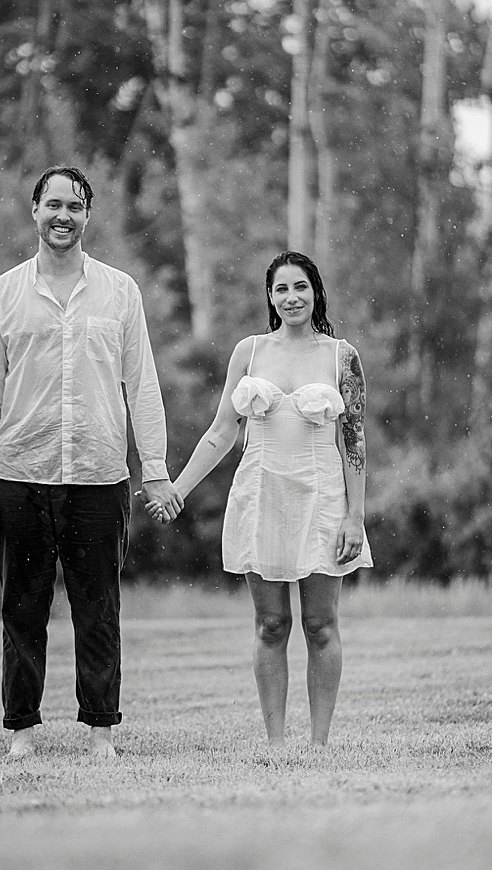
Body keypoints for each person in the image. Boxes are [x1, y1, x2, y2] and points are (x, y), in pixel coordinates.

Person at [0, 165, 179, 760]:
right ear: (34, 211)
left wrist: (155, 466)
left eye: (76, 206)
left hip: (98, 474)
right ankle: (22, 733)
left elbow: (143, 384)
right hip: (18, 472)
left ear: (88, 216)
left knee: (98, 609)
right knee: (21, 609)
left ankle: (101, 733)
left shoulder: (121, 292)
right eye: (53, 204)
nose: (64, 215)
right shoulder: (2, 294)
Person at [155, 251, 370, 745]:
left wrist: (354, 517)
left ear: (315, 292)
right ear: (269, 297)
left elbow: (354, 440)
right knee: (271, 623)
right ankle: (275, 742)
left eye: (300, 287)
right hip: (261, 492)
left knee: (320, 625)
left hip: (322, 496)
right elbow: (220, 432)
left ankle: (319, 743)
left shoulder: (343, 356)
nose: (291, 297)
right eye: (280, 289)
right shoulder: (248, 352)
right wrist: (177, 489)